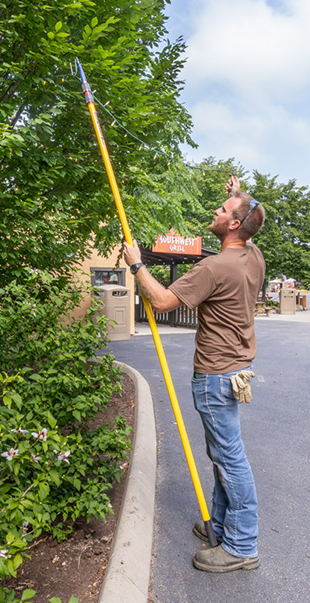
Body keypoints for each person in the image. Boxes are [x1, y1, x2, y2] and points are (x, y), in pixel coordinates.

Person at [122, 174, 266, 573]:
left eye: (223, 210)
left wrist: (137, 264)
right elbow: (250, 226)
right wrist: (237, 196)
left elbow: (164, 300)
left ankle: (241, 545)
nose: (216, 212)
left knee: (230, 458)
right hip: (235, 370)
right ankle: (220, 525)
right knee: (222, 454)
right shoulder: (251, 257)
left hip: (215, 376)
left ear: (234, 225)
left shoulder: (214, 267)